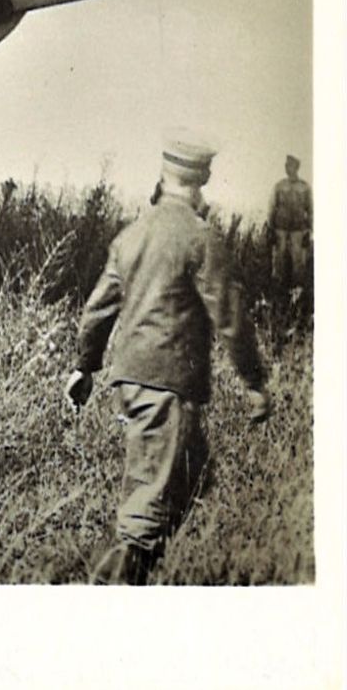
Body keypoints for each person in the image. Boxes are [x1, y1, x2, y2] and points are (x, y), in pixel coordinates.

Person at [65, 132, 271, 585]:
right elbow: (230, 315)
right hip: (169, 382)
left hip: (131, 380)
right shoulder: (200, 237)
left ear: (163, 175)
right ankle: (110, 591)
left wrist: (84, 366)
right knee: (148, 508)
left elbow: (98, 307)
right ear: (203, 179)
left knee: (194, 471)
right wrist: (254, 382)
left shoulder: (132, 234)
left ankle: (142, 565)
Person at [268, 154, 313, 304]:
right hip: (280, 228)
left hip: (298, 230)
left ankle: (297, 296)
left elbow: (310, 209)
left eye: (290, 165)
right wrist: (270, 228)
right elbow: (272, 208)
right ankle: (277, 294)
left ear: (296, 167)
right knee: (278, 260)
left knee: (298, 262)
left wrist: (310, 230)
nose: (287, 168)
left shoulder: (305, 187)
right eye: (286, 165)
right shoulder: (279, 186)